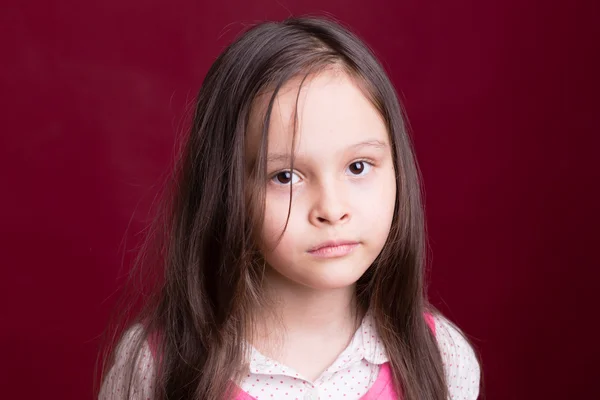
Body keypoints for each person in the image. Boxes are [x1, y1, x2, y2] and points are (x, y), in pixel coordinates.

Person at [98, 16, 481, 400]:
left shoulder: (442, 358)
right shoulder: (158, 365)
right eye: (285, 176)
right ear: (227, 190)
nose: (331, 209)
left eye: (358, 167)